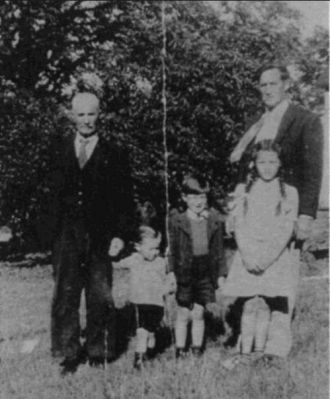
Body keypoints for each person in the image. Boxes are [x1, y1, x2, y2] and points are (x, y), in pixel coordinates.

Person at [46, 91, 134, 374]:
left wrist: (120, 234)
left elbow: (125, 200)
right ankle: (67, 352)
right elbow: (48, 195)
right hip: (66, 236)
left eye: (91, 114)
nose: (86, 120)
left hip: (100, 237)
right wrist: (49, 234)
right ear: (72, 115)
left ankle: (100, 350)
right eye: (80, 114)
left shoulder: (114, 153)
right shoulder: (57, 149)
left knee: (100, 294)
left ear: (100, 115)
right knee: (66, 293)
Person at [223, 140, 299, 365]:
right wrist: (247, 254)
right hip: (248, 254)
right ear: (253, 164)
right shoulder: (243, 191)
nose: (267, 167)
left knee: (266, 304)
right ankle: (244, 351)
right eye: (262, 162)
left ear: (280, 164)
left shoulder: (289, 192)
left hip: (273, 257)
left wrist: (267, 258)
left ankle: (260, 351)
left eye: (272, 162)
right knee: (249, 304)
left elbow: (286, 229)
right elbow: (239, 225)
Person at [230, 64, 323, 242]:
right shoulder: (253, 122)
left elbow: (313, 172)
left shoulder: (306, 120)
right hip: (252, 212)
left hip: (285, 213)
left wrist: (306, 215)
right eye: (263, 85)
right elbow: (243, 170)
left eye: (273, 84)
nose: (267, 90)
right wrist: (235, 210)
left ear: (286, 85)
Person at [168, 175, 227, 357]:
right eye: (193, 197)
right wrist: (170, 272)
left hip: (205, 271)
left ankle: (196, 348)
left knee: (199, 313)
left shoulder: (213, 220)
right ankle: (179, 348)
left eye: (202, 197)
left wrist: (221, 274)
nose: (198, 202)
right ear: (185, 198)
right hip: (184, 270)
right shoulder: (177, 220)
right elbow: (171, 249)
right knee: (184, 312)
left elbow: (219, 250)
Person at [115, 225, 175, 370]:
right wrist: (113, 254)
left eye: (157, 248)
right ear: (138, 247)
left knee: (151, 333)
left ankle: (150, 352)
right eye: (151, 249)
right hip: (139, 303)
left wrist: (170, 286)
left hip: (156, 304)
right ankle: (139, 359)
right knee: (141, 332)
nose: (155, 252)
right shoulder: (134, 259)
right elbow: (117, 264)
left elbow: (169, 277)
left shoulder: (161, 262)